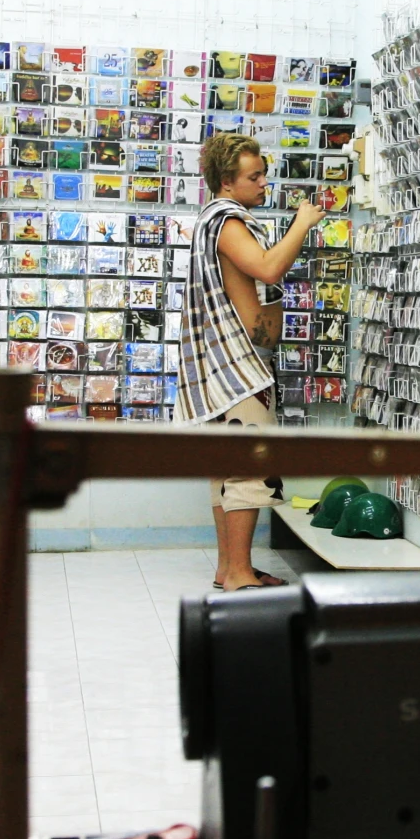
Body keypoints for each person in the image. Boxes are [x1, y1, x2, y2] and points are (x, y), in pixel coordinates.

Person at [175, 133, 322, 593]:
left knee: (226, 471)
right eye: (253, 177)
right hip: (237, 367)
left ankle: (229, 568)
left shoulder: (214, 220)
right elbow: (267, 268)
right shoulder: (227, 220)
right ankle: (239, 572)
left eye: (263, 174)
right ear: (226, 181)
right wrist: (303, 223)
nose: (264, 184)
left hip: (227, 367)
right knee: (248, 471)